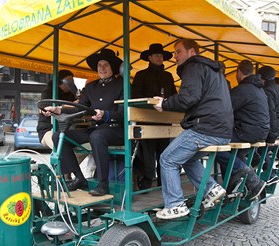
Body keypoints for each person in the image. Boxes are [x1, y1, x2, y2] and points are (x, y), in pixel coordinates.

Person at [153, 39, 233, 219]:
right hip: (222, 130)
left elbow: (189, 97)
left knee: (167, 159)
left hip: (206, 127)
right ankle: (212, 189)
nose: (175, 57)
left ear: (192, 52)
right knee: (186, 158)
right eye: (174, 53)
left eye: (179, 51)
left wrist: (164, 103)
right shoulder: (213, 71)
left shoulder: (193, 66)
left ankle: (175, 205)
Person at [46, 48, 125, 196]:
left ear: (112, 67)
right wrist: (57, 110)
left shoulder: (122, 85)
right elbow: (78, 108)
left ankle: (103, 184)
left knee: (97, 136)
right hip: (95, 129)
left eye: (106, 65)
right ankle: (80, 178)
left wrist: (105, 115)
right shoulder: (91, 87)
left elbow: (123, 113)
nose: (102, 68)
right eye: (99, 65)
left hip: (116, 130)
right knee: (58, 136)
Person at [215, 60, 269, 200]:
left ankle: (247, 175)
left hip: (248, 131)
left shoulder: (243, 89)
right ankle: (231, 187)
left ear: (239, 72)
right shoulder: (258, 88)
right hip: (259, 132)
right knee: (233, 154)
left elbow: (225, 109)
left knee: (215, 146)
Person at [131, 43, 177, 190]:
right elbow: (135, 96)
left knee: (164, 154)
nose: (159, 57)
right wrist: (151, 100)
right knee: (148, 157)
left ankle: (163, 185)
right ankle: (146, 184)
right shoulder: (141, 75)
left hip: (165, 121)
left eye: (161, 55)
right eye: (156, 55)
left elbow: (174, 96)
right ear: (149, 58)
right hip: (147, 120)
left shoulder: (168, 76)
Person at [257, 66, 279, 183]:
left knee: (260, 149)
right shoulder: (278, 89)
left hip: (273, 127)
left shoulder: (268, 90)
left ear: (262, 77)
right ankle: (271, 171)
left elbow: (271, 113)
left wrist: (271, 135)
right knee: (261, 150)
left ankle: (270, 173)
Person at [36, 69, 78, 149]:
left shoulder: (71, 94)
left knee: (84, 148)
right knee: (60, 148)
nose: (70, 84)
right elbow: (46, 108)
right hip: (48, 129)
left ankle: (68, 161)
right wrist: (68, 106)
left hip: (66, 129)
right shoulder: (48, 92)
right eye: (68, 81)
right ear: (60, 82)